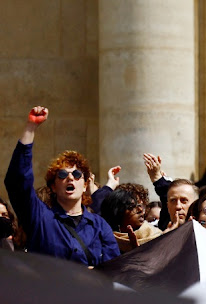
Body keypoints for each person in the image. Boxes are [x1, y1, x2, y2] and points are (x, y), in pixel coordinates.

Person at [4, 106, 119, 266]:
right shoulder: (39, 218)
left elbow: (113, 270)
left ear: (85, 184)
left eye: (77, 174)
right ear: (53, 186)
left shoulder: (100, 226)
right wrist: (31, 128)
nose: (70, 177)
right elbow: (18, 182)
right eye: (63, 175)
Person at [100, 188, 162, 253]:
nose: (140, 210)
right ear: (117, 213)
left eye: (139, 206)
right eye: (132, 207)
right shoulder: (105, 245)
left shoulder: (158, 236)